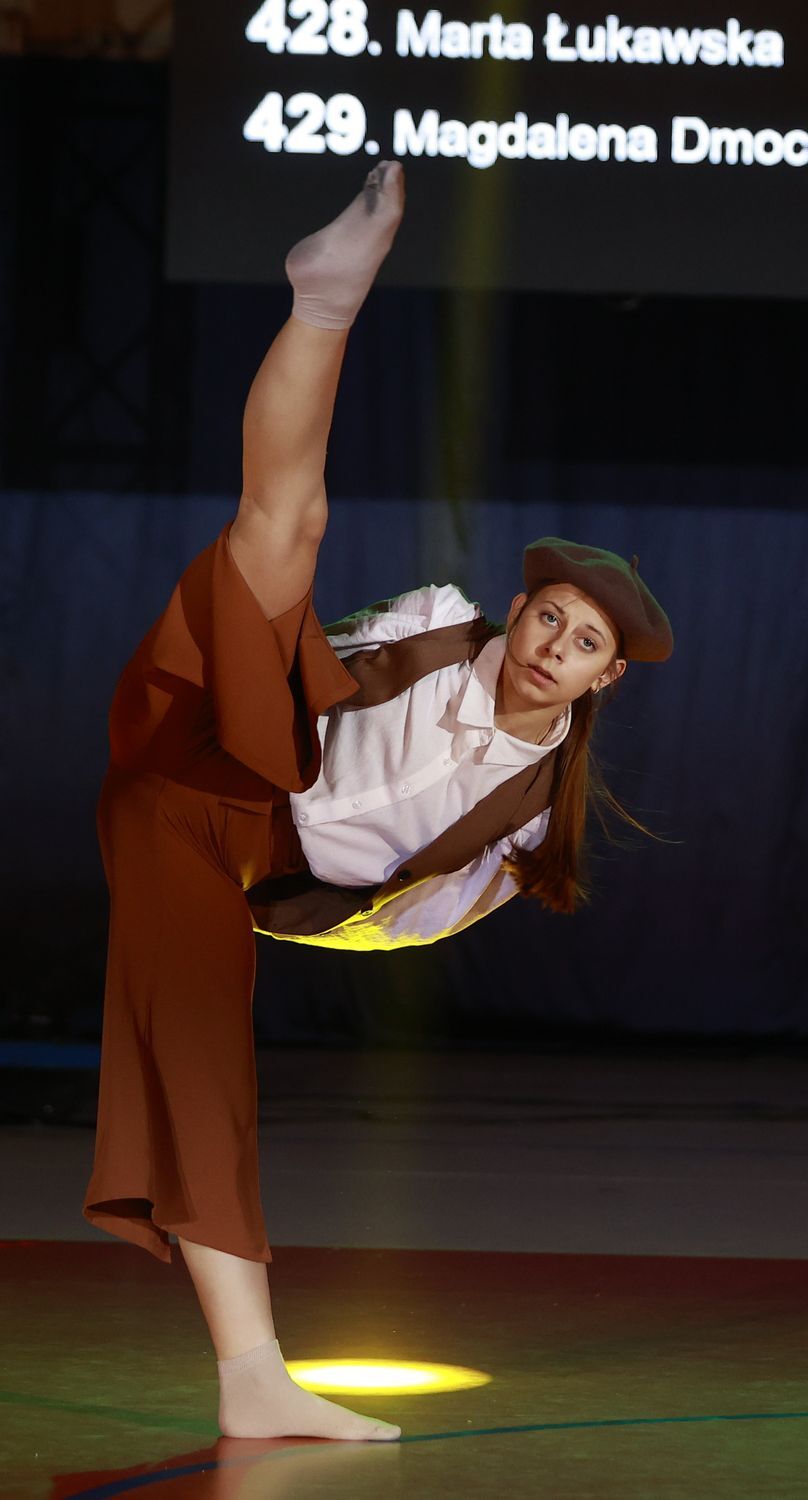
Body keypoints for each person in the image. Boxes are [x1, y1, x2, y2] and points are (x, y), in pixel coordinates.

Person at [81, 160, 673, 1443]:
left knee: (204, 1058)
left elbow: (382, 926)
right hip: (217, 733)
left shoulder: (521, 827)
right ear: (517, 609)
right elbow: (292, 654)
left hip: (224, 855)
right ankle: (325, 302)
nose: (550, 646)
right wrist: (280, 668)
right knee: (283, 529)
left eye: (581, 644)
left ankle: (253, 1376)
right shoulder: (435, 626)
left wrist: (258, 914)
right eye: (547, 616)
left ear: (604, 679)